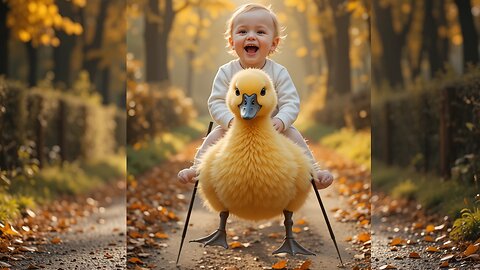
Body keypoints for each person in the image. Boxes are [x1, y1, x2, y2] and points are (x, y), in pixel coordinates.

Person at [177, 3, 333, 189]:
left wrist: (281, 121)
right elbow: (216, 102)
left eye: (260, 32)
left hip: (271, 126)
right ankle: (197, 168)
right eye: (243, 32)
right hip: (236, 126)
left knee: (294, 134)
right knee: (215, 135)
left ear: (273, 44)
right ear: (231, 42)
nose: (251, 36)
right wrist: (229, 121)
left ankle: (313, 172)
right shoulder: (226, 72)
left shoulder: (278, 72)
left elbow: (290, 102)